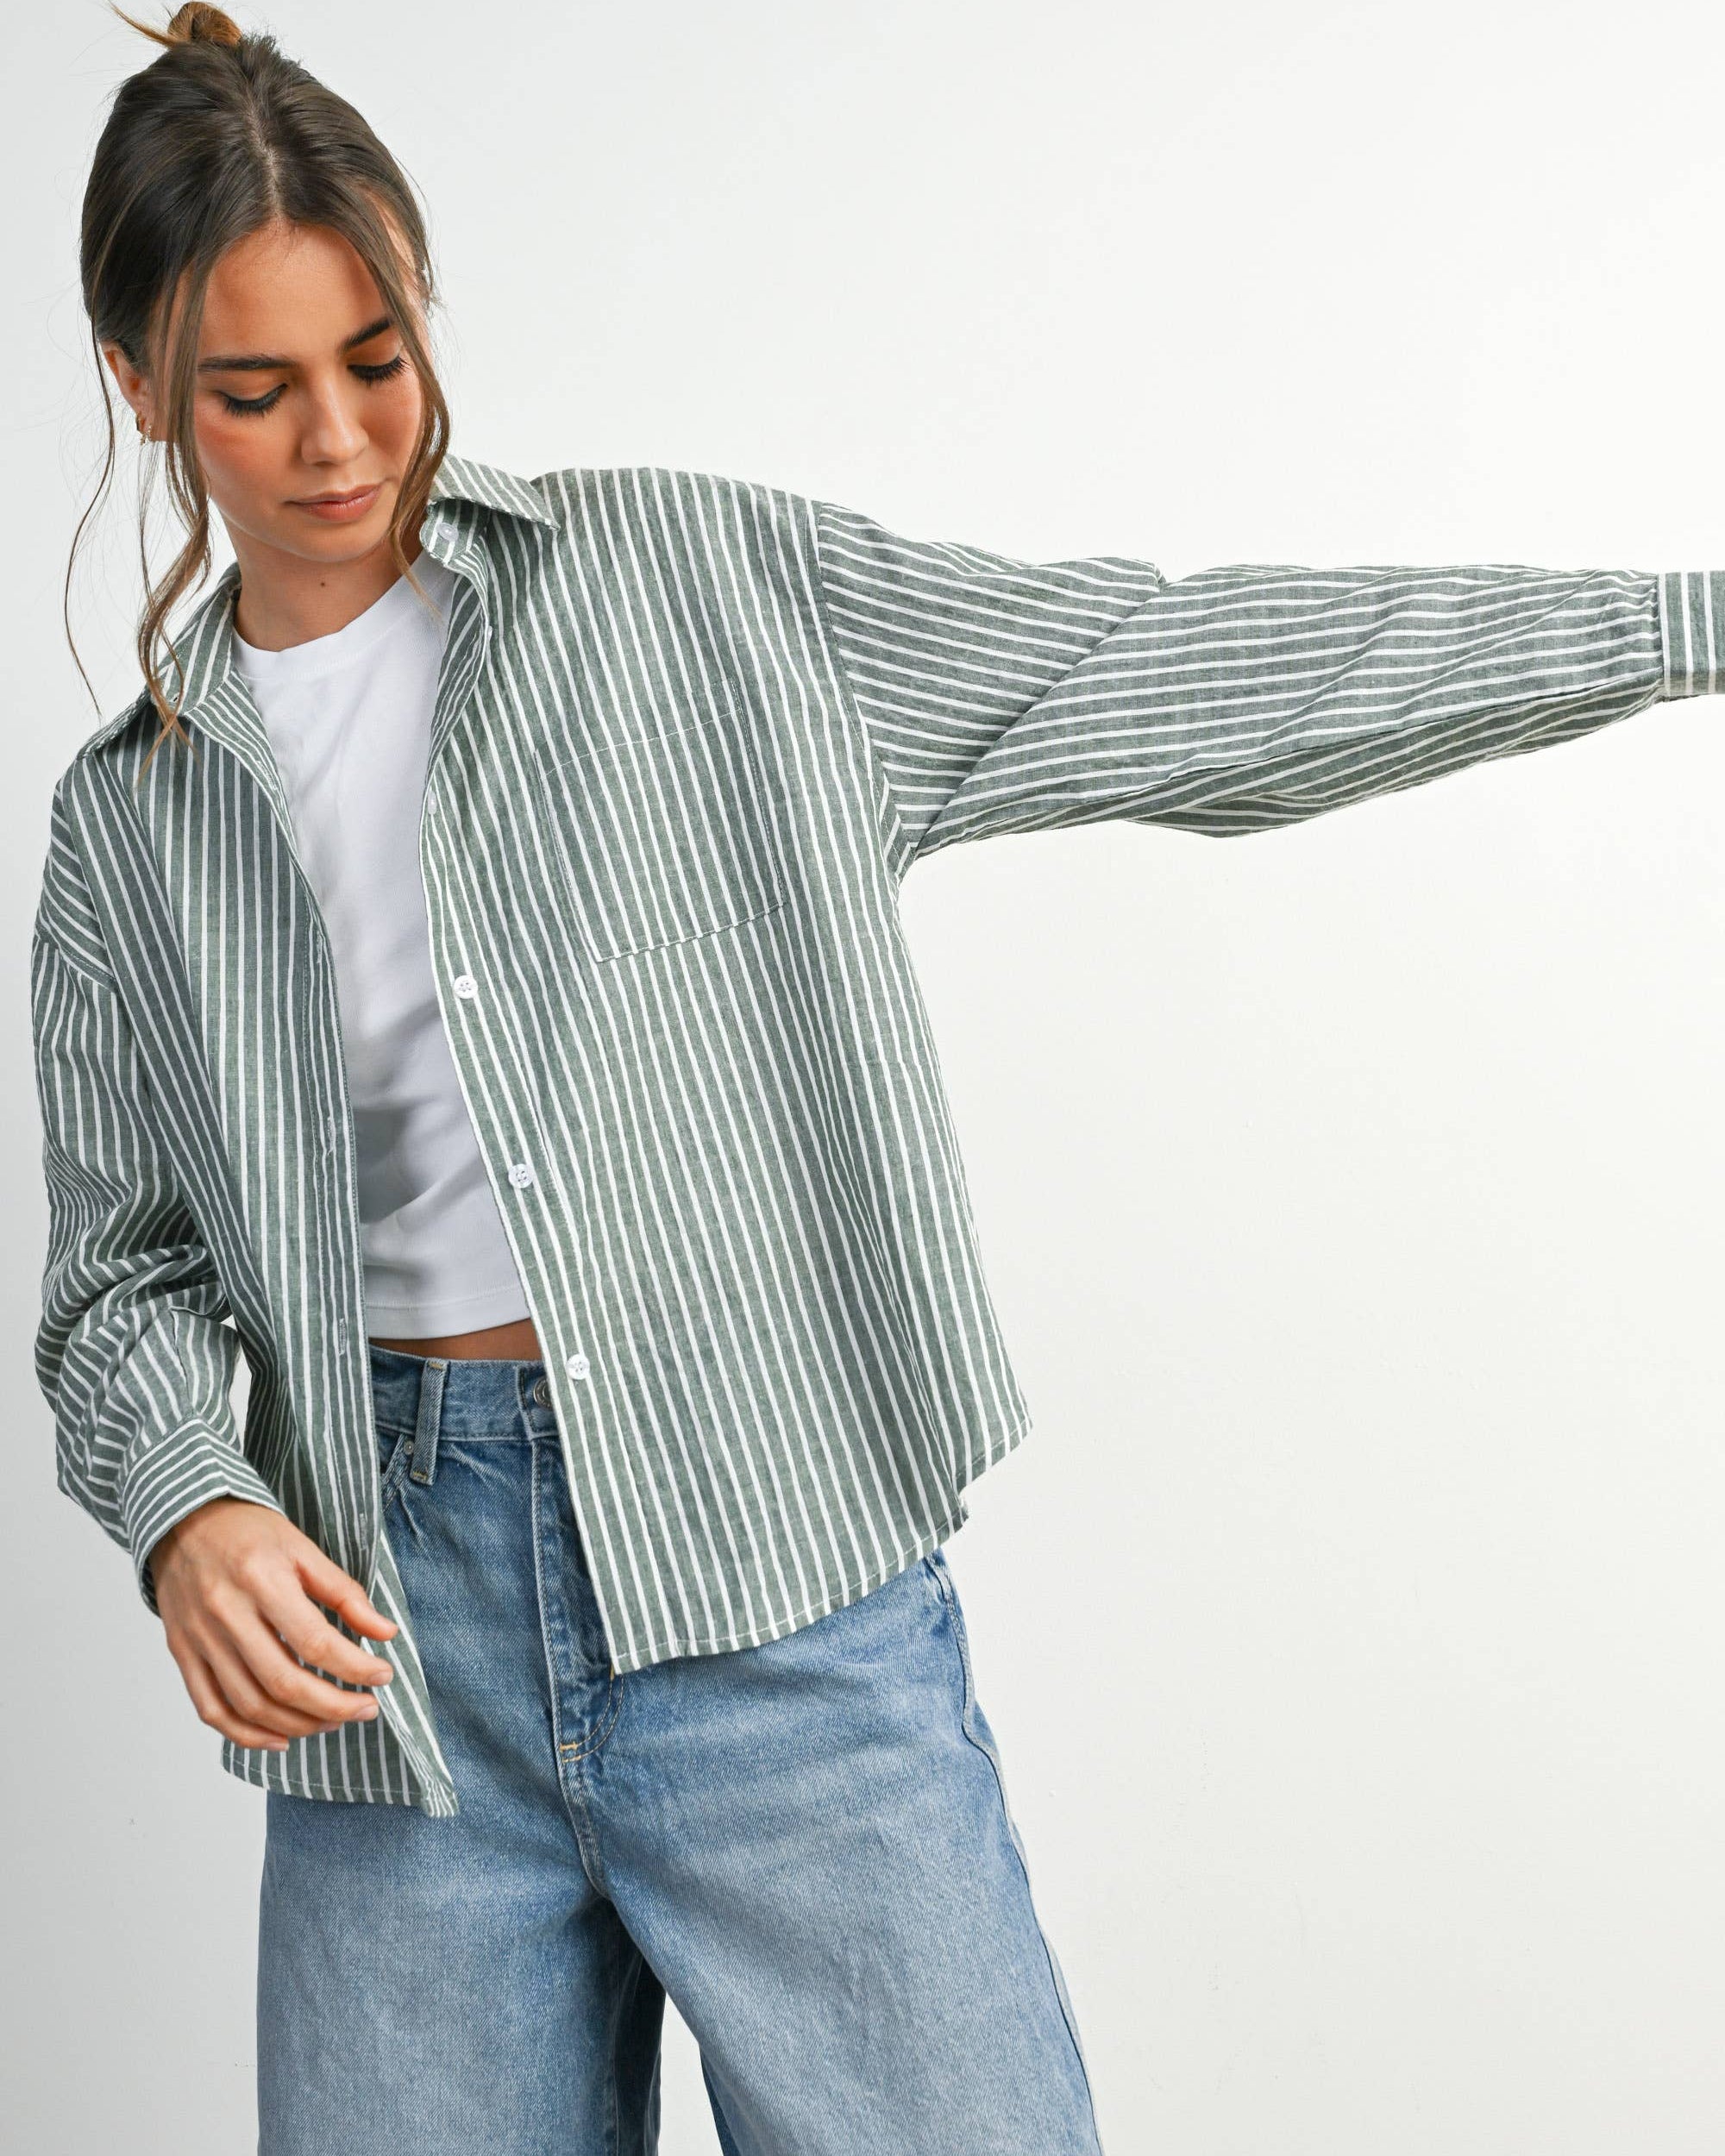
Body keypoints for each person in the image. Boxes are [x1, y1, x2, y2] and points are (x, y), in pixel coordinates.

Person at [32, 5, 1722, 2152]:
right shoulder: (129, 823)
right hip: (390, 1679)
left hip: (776, 1583)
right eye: (252, 391)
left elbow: (1161, 662)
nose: (341, 439)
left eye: (377, 356)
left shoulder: (703, 591)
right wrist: (190, 1500)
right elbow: (117, 1277)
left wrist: (1681, 620)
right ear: (141, 386)